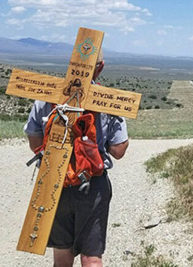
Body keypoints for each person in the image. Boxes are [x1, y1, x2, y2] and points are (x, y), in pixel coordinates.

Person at [24, 51, 129, 267]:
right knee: (91, 258)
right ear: (100, 67)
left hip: (54, 182)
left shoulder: (48, 94)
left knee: (62, 257)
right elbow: (118, 151)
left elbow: (35, 144)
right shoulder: (108, 101)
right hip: (92, 184)